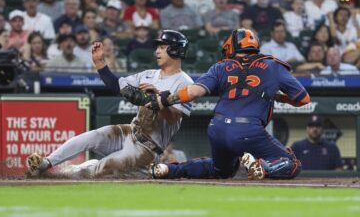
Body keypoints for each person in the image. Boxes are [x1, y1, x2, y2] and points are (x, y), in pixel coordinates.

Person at [26, 30, 194, 178]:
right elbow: (116, 86)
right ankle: (46, 163)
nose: (157, 51)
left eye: (162, 47)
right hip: (130, 132)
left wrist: (158, 98)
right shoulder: (149, 74)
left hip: (147, 149)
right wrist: (100, 63)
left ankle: (63, 176)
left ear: (175, 49)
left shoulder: (185, 82)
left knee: (99, 170)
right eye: (158, 47)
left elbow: (173, 119)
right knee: (92, 136)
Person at [148, 28, 310, 180]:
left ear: (231, 47)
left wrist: (165, 99)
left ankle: (169, 169)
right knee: (292, 163)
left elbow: (194, 92)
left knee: (222, 170)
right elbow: (303, 99)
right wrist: (281, 98)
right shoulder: (273, 66)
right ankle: (263, 167)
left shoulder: (220, 67)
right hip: (248, 130)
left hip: (217, 128)